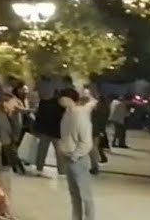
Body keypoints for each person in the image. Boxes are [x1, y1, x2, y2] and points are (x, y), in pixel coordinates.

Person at [56, 87, 95, 220]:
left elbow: (86, 141)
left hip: (78, 159)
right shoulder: (67, 113)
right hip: (68, 157)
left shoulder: (80, 114)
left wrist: (75, 155)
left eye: (62, 98)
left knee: (85, 195)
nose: (60, 101)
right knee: (74, 195)